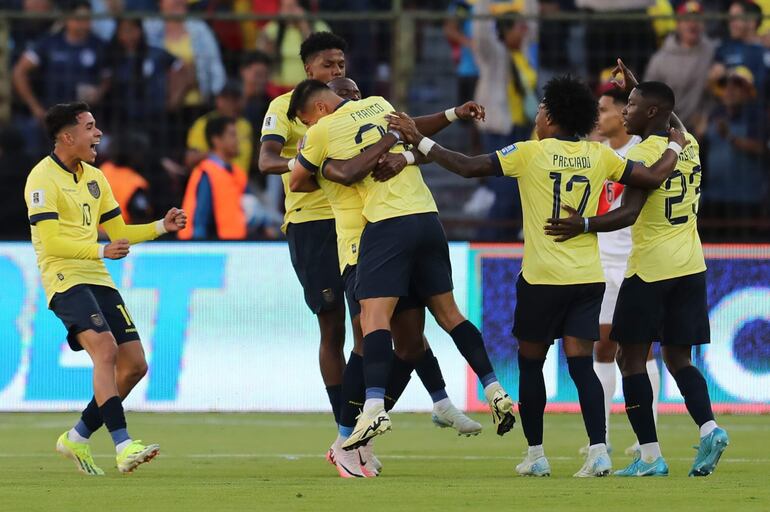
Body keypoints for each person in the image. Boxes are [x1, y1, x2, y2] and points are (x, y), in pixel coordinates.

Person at [387, 74, 686, 477]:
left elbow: (468, 166)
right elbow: (651, 178)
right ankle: (599, 451)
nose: (538, 116)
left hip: (543, 279)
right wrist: (674, 143)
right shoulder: (600, 155)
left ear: (553, 117)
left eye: (543, 110)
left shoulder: (529, 153)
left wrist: (417, 139)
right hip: (586, 278)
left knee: (531, 365)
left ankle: (536, 455)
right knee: (581, 366)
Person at [288, 80, 517, 454]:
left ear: (319, 111)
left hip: (378, 233)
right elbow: (410, 135)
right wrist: (405, 136)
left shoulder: (324, 133)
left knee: (371, 324)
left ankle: (372, 411)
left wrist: (400, 146)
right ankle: (488, 386)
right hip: (427, 219)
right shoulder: (379, 106)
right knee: (442, 319)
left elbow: (308, 177)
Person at [545, 60, 729, 478]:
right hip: (691, 266)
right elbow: (670, 117)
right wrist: (639, 87)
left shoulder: (644, 155)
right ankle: (710, 427)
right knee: (680, 359)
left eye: (630, 104)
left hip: (649, 270)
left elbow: (627, 213)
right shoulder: (689, 143)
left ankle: (649, 456)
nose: (624, 110)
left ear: (650, 114)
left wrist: (584, 224)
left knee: (630, 359)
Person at [24, 102, 187, 475]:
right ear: (68, 137)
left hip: (97, 276)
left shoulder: (96, 177)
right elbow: (49, 242)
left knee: (134, 366)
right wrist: (100, 249)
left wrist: (161, 225)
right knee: (105, 349)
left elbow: (120, 234)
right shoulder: (41, 179)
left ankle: (78, 436)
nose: (98, 134)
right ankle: (123, 444)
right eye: (90, 127)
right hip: (64, 277)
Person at [257, 32, 348, 452]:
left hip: (356, 221)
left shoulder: (351, 108)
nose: (336, 72)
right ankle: (345, 428)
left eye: (341, 65)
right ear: (309, 69)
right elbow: (265, 160)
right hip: (311, 224)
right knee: (333, 328)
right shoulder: (284, 107)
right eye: (328, 65)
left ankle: (360, 425)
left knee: (374, 321)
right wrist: (308, 167)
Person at [583, 86, 660, 458]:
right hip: (600, 260)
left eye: (604, 110)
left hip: (632, 260)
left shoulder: (641, 153)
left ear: (623, 115)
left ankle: (648, 429)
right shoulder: (596, 153)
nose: (599, 116)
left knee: (638, 351)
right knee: (603, 345)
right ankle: (603, 434)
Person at [472, 0, 537, 240]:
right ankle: (489, 241)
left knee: (517, 191)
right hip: (500, 130)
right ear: (506, 31)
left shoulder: (524, 52)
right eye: (519, 27)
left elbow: (531, 18)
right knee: (506, 191)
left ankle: (506, 238)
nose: (525, 30)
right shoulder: (494, 56)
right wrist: (483, 5)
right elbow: (481, 35)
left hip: (522, 129)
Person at [13, 1, 110, 156]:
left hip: (85, 120)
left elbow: (107, 77)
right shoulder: (49, 43)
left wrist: (99, 92)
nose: (83, 24)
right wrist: (36, 108)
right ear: (66, 19)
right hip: (53, 120)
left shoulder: (99, 46)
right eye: (79, 19)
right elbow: (19, 72)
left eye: (87, 19)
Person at [703, 66, 766, 222]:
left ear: (747, 91)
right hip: (715, 196)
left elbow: (761, 148)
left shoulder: (756, 116)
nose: (729, 90)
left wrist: (730, 137)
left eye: (736, 86)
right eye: (725, 86)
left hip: (747, 199)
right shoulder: (714, 113)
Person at [644, 1, 716, 133]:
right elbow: (648, 96)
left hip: (702, 126)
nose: (693, 23)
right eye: (687, 19)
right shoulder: (660, 59)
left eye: (698, 19)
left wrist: (705, 115)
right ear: (677, 24)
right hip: (668, 127)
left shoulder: (712, 52)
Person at [179, 117, 249, 240]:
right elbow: (200, 217)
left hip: (232, 244)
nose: (237, 140)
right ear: (217, 140)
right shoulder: (207, 171)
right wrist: (199, 247)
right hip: (208, 247)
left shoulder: (236, 172)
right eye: (232, 135)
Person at [257, 0, 331, 90]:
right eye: (284, 7)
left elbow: (321, 53)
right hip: (278, 87)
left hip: (309, 87)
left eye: (291, 7)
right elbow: (260, 52)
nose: (287, 11)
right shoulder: (274, 27)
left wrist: (303, 25)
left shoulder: (318, 26)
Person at [186, 80, 255, 175]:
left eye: (235, 99)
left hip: (240, 181)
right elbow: (191, 159)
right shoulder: (204, 123)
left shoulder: (245, 125)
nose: (231, 104)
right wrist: (218, 154)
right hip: (215, 179)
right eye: (227, 99)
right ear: (218, 100)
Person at [710, 0, 770, 103]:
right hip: (725, 116)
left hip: (757, 116)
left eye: (736, 18)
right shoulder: (723, 49)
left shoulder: (765, 52)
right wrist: (716, 77)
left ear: (751, 21)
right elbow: (712, 89)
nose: (731, 23)